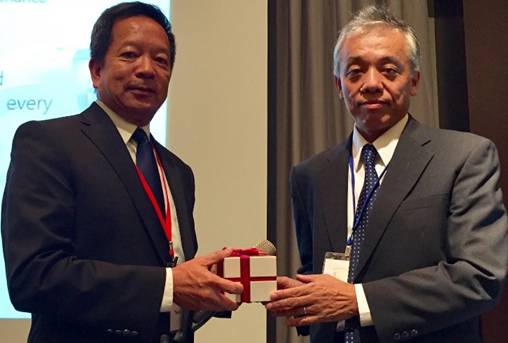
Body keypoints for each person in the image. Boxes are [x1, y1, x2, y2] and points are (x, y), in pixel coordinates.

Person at [1, 2, 242, 343]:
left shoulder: (177, 171)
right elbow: (34, 277)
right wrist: (171, 285)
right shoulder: (47, 143)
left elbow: (165, 282)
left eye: (161, 60)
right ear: (96, 70)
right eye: (130, 55)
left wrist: (210, 288)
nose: (147, 69)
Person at [265, 5, 508, 343]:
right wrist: (300, 298)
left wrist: (357, 300)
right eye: (355, 72)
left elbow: (481, 276)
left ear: (414, 81)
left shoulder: (464, 157)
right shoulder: (309, 175)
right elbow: (318, 273)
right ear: (338, 85)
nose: (371, 84)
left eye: (389, 70)